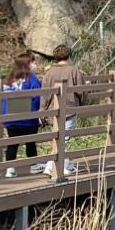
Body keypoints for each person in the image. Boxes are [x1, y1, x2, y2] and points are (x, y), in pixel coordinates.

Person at [0, 53, 44, 177]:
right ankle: (34, 165)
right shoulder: (31, 78)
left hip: (10, 116)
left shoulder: (8, 79)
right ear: (27, 64)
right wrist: (38, 112)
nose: (35, 65)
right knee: (30, 142)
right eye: (32, 62)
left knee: (12, 142)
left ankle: (10, 169)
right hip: (28, 116)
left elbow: (4, 99)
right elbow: (38, 96)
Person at [40, 44, 81, 177]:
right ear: (68, 56)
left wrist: (43, 110)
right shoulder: (73, 70)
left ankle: (60, 165)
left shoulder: (49, 72)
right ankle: (54, 167)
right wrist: (81, 102)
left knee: (59, 138)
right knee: (64, 139)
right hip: (70, 108)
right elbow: (81, 90)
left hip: (53, 110)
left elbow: (44, 94)